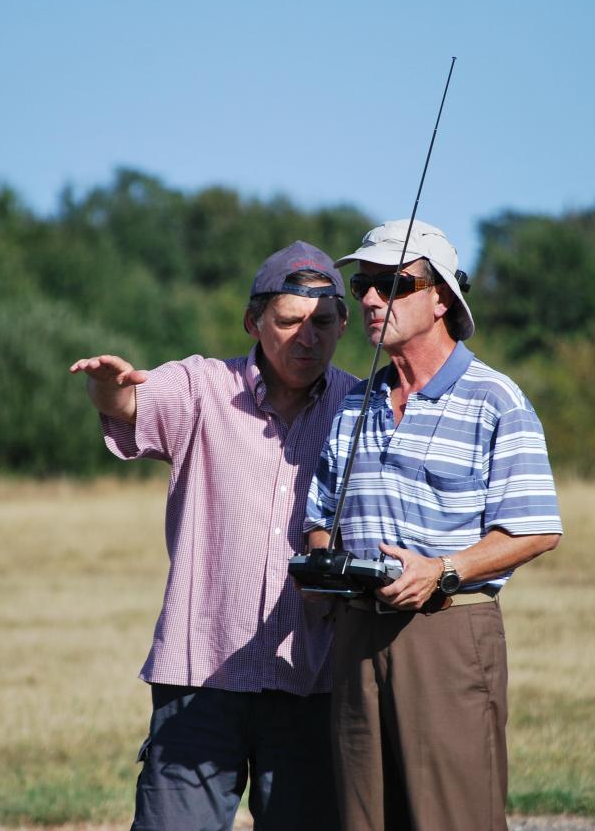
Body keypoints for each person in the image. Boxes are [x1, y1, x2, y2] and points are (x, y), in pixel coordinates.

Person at [70, 240, 355, 831]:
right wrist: (109, 387)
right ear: (253, 321)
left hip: (314, 673)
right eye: (289, 321)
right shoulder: (201, 385)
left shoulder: (362, 405)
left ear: (344, 324)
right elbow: (131, 406)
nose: (308, 337)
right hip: (200, 674)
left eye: (323, 322)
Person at [304, 219, 563, 831]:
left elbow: (536, 529)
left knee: (452, 818)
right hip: (355, 636)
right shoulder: (353, 403)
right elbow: (320, 517)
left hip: (447, 632)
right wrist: (323, 562)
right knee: (361, 819)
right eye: (363, 284)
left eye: (392, 283)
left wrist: (442, 570)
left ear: (441, 296)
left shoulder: (495, 399)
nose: (369, 298)